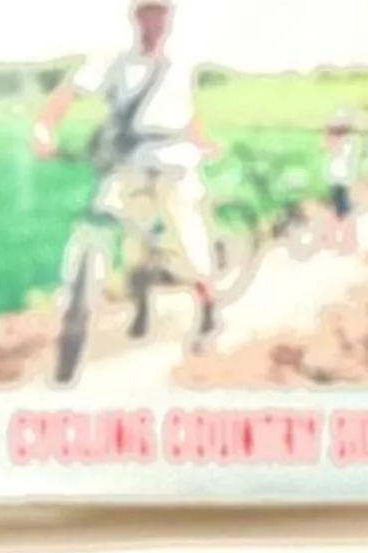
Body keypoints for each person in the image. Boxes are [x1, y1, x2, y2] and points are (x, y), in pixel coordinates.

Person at [32, 0, 221, 348]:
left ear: (170, 18)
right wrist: (45, 127)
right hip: (129, 158)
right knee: (124, 233)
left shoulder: (180, 63)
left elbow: (189, 109)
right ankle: (120, 302)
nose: (157, 20)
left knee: (186, 236)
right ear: (137, 17)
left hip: (175, 159)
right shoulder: (115, 62)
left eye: (163, 12)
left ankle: (208, 309)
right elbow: (69, 92)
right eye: (150, 12)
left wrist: (201, 141)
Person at [322, 109, 361, 252]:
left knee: (341, 212)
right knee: (340, 211)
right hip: (339, 180)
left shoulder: (347, 142)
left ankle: (343, 241)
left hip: (339, 180)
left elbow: (329, 146)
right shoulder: (350, 140)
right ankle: (340, 241)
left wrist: (329, 135)